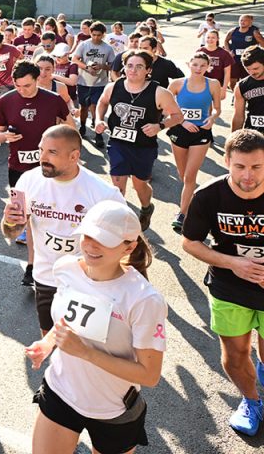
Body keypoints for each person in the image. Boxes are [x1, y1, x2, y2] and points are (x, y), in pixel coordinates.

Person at [24, 201, 166, 454]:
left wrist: (86, 353)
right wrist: (48, 344)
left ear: (129, 247)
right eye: (87, 234)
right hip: (61, 392)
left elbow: (149, 375)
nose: (90, 244)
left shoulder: (144, 300)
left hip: (114, 409)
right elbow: (69, 319)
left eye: (104, 240)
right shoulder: (65, 268)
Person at [182, 128, 264, 435]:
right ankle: (251, 401)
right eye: (240, 166)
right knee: (235, 355)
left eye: (257, 167)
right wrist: (234, 264)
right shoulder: (207, 195)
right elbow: (190, 242)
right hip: (229, 288)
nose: (248, 175)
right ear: (227, 160)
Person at [2, 125, 125, 309]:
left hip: (87, 280)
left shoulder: (104, 193)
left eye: (52, 152)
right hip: (45, 277)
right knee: (49, 337)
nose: (42, 158)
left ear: (74, 156)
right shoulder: (28, 180)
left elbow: (127, 243)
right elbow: (11, 233)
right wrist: (9, 221)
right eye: (41, 149)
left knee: (82, 338)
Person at [94, 50, 183, 230]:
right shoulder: (113, 87)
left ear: (148, 70)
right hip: (118, 142)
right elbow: (102, 102)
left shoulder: (159, 92)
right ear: (124, 67)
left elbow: (177, 116)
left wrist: (160, 126)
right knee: (118, 184)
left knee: (139, 183)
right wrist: (98, 119)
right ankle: (119, 223)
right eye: (129, 66)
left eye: (139, 66)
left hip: (143, 146)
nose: (133, 70)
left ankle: (146, 208)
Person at [0, 61, 72, 188]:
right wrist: (5, 136)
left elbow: (71, 130)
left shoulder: (54, 100)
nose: (22, 90)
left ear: (37, 79)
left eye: (27, 85)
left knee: (47, 205)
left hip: (48, 165)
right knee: (19, 205)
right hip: (17, 165)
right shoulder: (5, 101)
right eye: (17, 85)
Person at [167, 53, 223, 233]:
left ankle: (182, 214)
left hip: (201, 133)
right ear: (189, 64)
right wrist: (182, 121)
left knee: (190, 176)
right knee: (182, 175)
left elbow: (217, 109)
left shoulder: (213, 84)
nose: (198, 68)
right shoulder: (177, 84)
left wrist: (212, 118)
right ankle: (191, 198)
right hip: (179, 131)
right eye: (195, 65)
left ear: (208, 67)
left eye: (202, 65)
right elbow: (165, 107)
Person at [71, 22, 117, 148]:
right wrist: (86, 67)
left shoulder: (107, 48)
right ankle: (83, 125)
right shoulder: (84, 44)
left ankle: (98, 133)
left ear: (103, 35)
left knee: (95, 106)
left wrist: (102, 66)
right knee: (84, 106)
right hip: (83, 81)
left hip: (100, 83)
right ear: (90, 33)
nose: (96, 37)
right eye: (93, 34)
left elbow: (112, 65)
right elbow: (74, 59)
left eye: (99, 35)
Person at [225, 14, 264, 87]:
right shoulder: (233, 31)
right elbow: (226, 41)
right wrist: (228, 51)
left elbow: (262, 44)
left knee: (247, 81)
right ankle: (235, 95)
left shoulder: (254, 32)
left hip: (249, 60)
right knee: (233, 79)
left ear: (250, 23)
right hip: (235, 59)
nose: (242, 22)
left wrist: (259, 55)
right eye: (241, 20)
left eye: (245, 20)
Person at [198, 29, 234, 95]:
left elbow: (227, 73)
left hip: (218, 85)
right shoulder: (200, 51)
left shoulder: (224, 53)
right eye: (208, 37)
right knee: (204, 104)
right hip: (202, 84)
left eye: (213, 38)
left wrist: (224, 88)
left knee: (216, 105)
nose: (210, 40)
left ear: (217, 39)